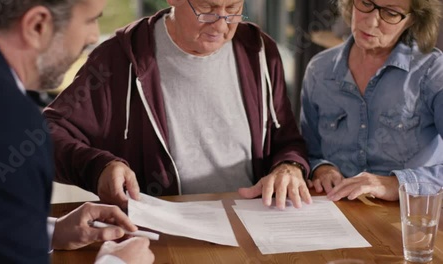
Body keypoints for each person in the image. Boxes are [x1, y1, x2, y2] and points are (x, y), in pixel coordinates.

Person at [43, 0, 312, 210]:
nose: (220, 25)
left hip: (252, 222)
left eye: (233, 9)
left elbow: (287, 140)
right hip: (161, 232)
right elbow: (47, 135)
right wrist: (98, 167)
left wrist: (289, 167)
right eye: (207, 8)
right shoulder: (117, 59)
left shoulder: (261, 52)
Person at [0, 1, 154, 263]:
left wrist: (47, 231)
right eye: (90, 20)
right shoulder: (7, 126)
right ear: (37, 25)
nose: (92, 36)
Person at [300, 0, 443, 201]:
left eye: (391, 13)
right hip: (335, 210)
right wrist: (321, 168)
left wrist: (396, 184)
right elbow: (307, 151)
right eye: (366, 3)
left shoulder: (433, 72)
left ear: (412, 20)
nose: (371, 21)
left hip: (405, 218)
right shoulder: (319, 71)